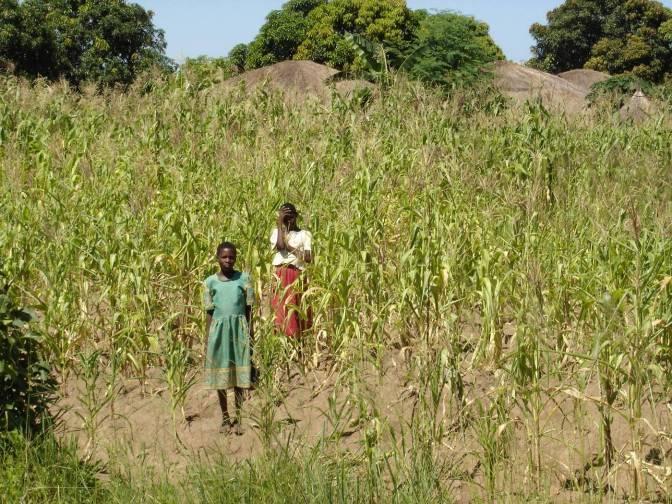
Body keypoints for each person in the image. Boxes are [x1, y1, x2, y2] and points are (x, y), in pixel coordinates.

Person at [203, 241, 254, 434]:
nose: (228, 260)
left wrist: (251, 335)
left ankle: (239, 417)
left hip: (239, 330)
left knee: (239, 377)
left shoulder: (245, 279)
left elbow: (250, 310)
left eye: (231, 257)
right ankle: (225, 417)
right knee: (221, 376)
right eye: (224, 257)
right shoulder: (209, 283)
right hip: (219, 332)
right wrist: (208, 338)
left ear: (236, 258)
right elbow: (209, 312)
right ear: (217, 258)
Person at [270, 203, 313, 338]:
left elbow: (307, 258)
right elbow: (280, 246)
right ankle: (282, 340)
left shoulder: (304, 234)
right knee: (280, 307)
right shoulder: (277, 232)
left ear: (296, 216)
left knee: (296, 306)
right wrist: (280, 224)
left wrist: (289, 247)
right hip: (280, 274)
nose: (289, 220)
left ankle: (298, 340)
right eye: (286, 218)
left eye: (291, 217)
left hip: (296, 274)